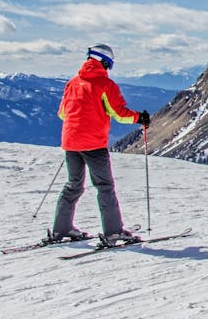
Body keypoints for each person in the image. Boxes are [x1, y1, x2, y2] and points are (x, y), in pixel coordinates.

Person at [50, 43, 151, 247]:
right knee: (104, 187)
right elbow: (119, 113)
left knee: (73, 185)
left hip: (70, 142)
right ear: (105, 62)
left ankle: (61, 229)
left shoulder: (72, 83)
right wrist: (140, 117)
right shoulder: (106, 85)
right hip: (94, 143)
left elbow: (62, 113)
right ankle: (113, 232)